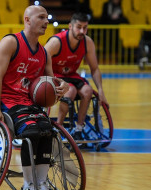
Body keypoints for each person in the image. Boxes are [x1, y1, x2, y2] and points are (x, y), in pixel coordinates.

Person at [0, 6, 69, 190]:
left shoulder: (43, 53)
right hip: (4, 100)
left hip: (26, 102)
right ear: (27, 20)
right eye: (41, 17)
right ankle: (28, 185)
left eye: (47, 18)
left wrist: (63, 86)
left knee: (48, 130)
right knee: (31, 132)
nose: (46, 22)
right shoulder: (10, 42)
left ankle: (41, 184)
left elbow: (52, 82)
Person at [44, 13, 108, 143]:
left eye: (85, 28)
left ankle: (78, 129)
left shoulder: (87, 42)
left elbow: (94, 68)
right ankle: (59, 128)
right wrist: (49, 80)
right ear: (70, 26)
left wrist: (100, 90)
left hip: (72, 75)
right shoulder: (57, 42)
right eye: (79, 27)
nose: (82, 31)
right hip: (55, 76)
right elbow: (42, 59)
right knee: (71, 90)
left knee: (88, 91)